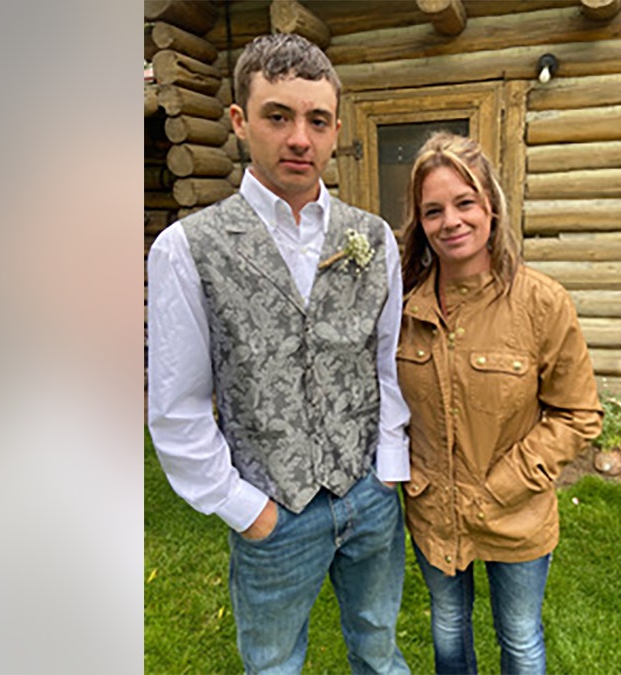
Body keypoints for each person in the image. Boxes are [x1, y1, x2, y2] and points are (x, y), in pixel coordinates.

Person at [146, 33, 411, 675]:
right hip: (272, 507)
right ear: (240, 122)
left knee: (378, 648)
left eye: (316, 120)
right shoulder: (186, 249)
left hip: (369, 495)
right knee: (272, 665)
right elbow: (176, 407)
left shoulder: (372, 238)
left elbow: (389, 363)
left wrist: (389, 470)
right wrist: (246, 509)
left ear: (335, 129)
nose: (299, 138)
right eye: (278, 116)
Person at [395, 132, 605, 675]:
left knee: (520, 640)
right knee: (447, 629)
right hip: (433, 511)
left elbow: (578, 414)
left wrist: (503, 484)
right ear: (421, 222)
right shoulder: (403, 306)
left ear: (491, 207)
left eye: (465, 203)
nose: (451, 221)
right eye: (434, 210)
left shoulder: (541, 302)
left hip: (517, 514)